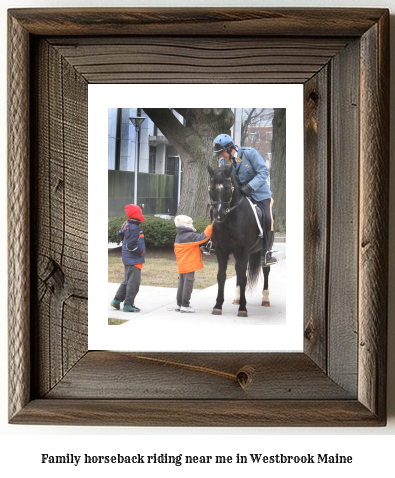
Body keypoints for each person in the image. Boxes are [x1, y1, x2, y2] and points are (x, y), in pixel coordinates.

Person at [202, 133, 277, 266]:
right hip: (240, 194)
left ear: (231, 149)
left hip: (259, 194)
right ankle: (213, 242)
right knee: (215, 209)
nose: (221, 157)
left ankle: (266, 252)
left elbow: (264, 172)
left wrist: (250, 186)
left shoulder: (250, 154)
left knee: (267, 218)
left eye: (222, 153)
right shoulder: (223, 161)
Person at [174, 215, 214, 313]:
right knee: (188, 284)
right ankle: (185, 305)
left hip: (181, 265)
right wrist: (211, 226)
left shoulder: (178, 236)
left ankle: (179, 304)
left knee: (181, 284)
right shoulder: (190, 236)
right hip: (189, 265)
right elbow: (204, 237)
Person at [110, 204, 146, 313]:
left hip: (129, 259)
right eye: (140, 212)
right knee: (133, 283)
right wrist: (141, 252)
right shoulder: (134, 228)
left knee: (127, 280)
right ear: (137, 215)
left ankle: (117, 300)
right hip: (134, 259)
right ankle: (128, 304)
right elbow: (130, 245)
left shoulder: (128, 224)